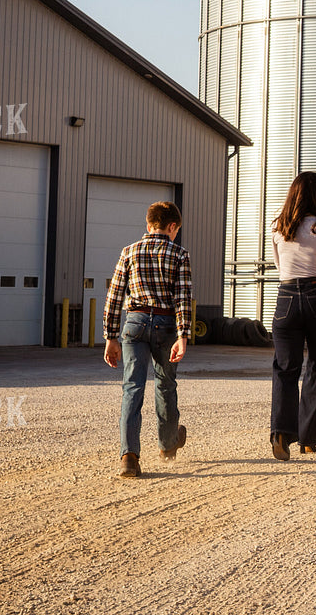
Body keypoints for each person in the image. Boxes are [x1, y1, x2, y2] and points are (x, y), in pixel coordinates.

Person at [103, 201, 192, 479]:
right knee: (165, 384)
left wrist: (110, 337)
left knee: (132, 387)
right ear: (172, 226)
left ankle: (129, 456)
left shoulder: (128, 251)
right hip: (166, 325)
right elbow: (182, 298)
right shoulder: (179, 254)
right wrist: (183, 335)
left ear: (148, 223)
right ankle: (167, 446)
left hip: (135, 324)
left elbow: (114, 297)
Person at [269, 171, 316, 459]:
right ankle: (309, 438)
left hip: (286, 297)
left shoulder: (279, 227)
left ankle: (280, 433)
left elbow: (279, 268)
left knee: (285, 368)